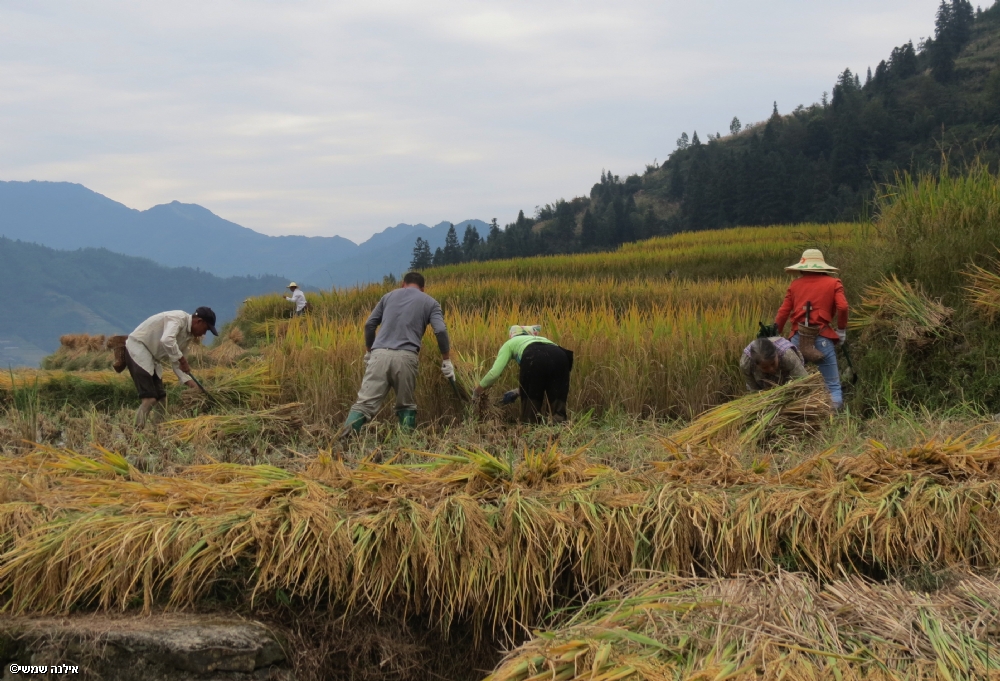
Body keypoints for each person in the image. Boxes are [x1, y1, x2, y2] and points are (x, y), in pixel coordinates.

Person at [338, 272, 453, 437]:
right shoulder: (430, 302)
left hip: (378, 356)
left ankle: (343, 443)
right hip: (406, 357)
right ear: (422, 288)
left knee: (363, 405)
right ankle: (406, 448)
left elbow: (369, 324)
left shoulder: (388, 297)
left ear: (402, 284)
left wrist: (369, 351)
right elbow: (440, 330)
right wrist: (446, 359)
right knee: (406, 406)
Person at [775, 249, 849, 409]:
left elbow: (783, 312)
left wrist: (776, 333)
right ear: (822, 267)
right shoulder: (833, 283)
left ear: (802, 267)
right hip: (822, 338)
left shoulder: (795, 285)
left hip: (797, 339)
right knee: (833, 386)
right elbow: (843, 307)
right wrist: (841, 330)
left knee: (795, 385)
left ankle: (798, 417)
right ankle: (832, 422)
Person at [124, 307, 218, 427]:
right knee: (150, 399)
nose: (204, 333)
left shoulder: (188, 337)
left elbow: (178, 365)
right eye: (206, 329)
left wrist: (194, 386)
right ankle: (135, 432)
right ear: (199, 321)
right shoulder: (177, 318)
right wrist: (182, 359)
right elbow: (167, 340)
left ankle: (158, 430)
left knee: (162, 398)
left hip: (152, 357)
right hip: (138, 348)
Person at [472, 325, 573, 424]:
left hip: (533, 356)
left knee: (530, 409)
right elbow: (545, 376)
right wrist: (519, 391)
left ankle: (530, 426)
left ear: (512, 334)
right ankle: (559, 426)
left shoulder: (510, 343)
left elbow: (494, 374)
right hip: (561, 356)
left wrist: (477, 391)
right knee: (558, 405)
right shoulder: (543, 339)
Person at [740, 337, 808, 393]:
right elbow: (754, 391)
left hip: (786, 375)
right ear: (756, 364)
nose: (771, 369)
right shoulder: (746, 364)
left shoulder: (788, 356)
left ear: (777, 354)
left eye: (773, 363)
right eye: (765, 367)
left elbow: (803, 381)